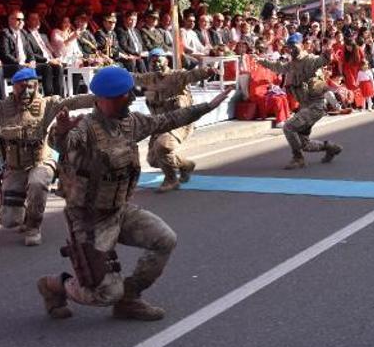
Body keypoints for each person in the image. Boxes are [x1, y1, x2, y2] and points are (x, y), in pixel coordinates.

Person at [36, 67, 233, 321]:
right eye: (124, 95)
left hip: (120, 209)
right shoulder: (85, 128)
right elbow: (63, 144)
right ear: (105, 99)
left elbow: (169, 120)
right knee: (105, 294)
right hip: (89, 219)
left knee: (165, 239)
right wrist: (61, 130)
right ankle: (54, 286)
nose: (131, 98)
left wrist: (208, 106)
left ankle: (130, 298)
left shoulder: (132, 123)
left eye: (130, 93)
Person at [0, 68, 95, 246]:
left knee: (37, 183)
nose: (26, 91)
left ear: (36, 86)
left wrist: (102, 98)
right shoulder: (1, 109)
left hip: (41, 162)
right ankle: (25, 214)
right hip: (15, 168)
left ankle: (33, 227)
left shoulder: (47, 105)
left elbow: (73, 101)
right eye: (21, 87)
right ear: (13, 87)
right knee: (9, 220)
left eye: (31, 86)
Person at [256, 33, 342, 169]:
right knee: (304, 144)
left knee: (288, 127)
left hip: (315, 107)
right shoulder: (292, 64)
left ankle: (298, 158)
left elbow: (323, 60)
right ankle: (330, 147)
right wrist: (261, 61)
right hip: (305, 107)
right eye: (288, 47)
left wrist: (328, 52)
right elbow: (278, 67)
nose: (291, 49)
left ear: (301, 46)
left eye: (293, 46)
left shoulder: (310, 60)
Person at [134, 49, 215, 192]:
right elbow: (132, 77)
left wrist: (208, 71)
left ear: (167, 61)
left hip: (181, 121)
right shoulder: (148, 79)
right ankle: (185, 165)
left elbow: (192, 75)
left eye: (159, 60)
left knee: (163, 146)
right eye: (152, 61)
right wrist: (108, 72)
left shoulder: (177, 76)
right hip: (160, 123)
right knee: (153, 160)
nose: (156, 64)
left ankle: (171, 180)